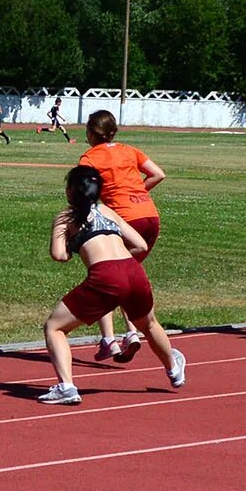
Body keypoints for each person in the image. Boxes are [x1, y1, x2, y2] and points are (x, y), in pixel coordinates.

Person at [36, 165, 185, 404]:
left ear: (71, 192)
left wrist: (74, 246)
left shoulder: (65, 217)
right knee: (148, 324)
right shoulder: (107, 210)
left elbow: (59, 255)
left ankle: (66, 386)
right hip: (133, 270)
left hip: (105, 275)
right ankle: (173, 368)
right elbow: (140, 246)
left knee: (54, 327)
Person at [78, 111, 167, 358]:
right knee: (125, 276)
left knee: (105, 275)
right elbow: (158, 174)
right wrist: (138, 191)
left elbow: (85, 190)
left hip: (124, 218)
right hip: (149, 216)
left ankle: (111, 339)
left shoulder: (89, 157)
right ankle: (129, 332)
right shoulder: (130, 150)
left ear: (90, 133)